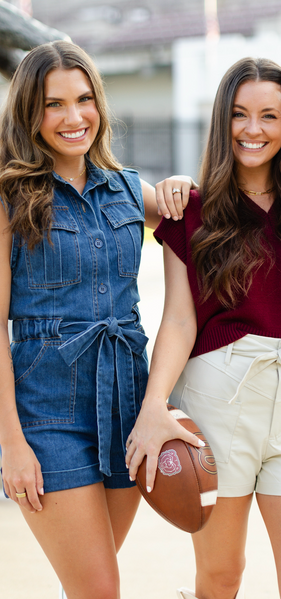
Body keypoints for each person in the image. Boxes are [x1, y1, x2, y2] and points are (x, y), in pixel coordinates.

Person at [126, 57, 281, 599]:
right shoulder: (190, 209)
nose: (253, 129)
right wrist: (154, 407)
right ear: (223, 121)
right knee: (220, 578)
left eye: (270, 116)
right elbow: (179, 320)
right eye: (239, 115)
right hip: (219, 403)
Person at [0, 40, 201, 599]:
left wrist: (181, 188)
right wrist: (10, 444)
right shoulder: (10, 200)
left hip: (127, 408)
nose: (73, 117)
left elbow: (209, 214)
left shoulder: (127, 189)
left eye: (84, 99)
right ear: (29, 115)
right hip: (47, 414)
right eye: (53, 104)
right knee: (97, 588)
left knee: (91, 584)